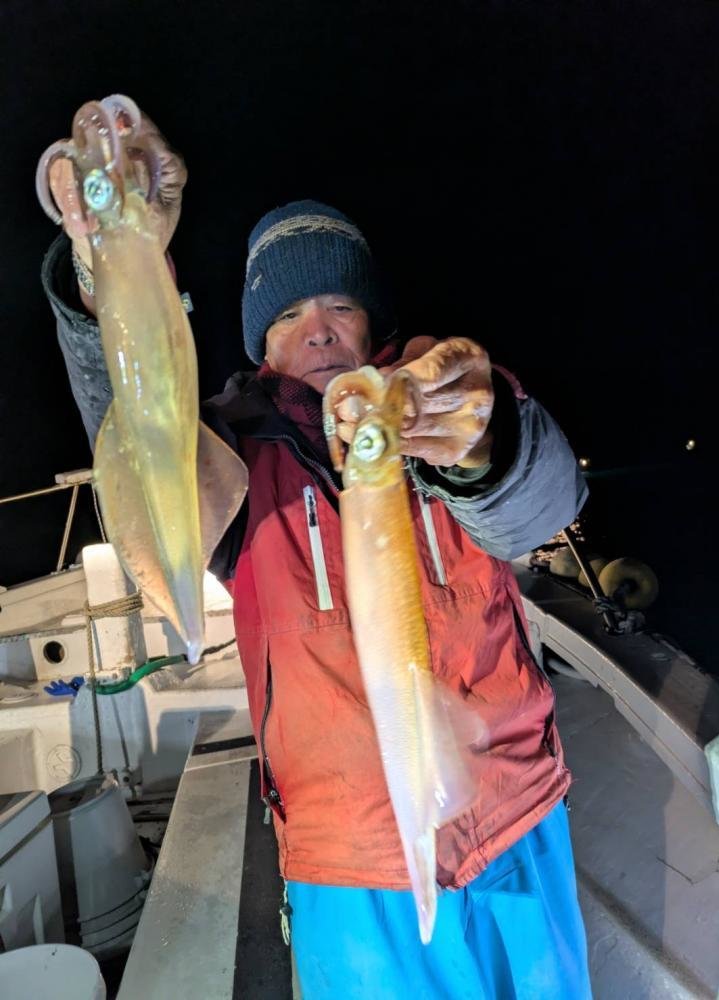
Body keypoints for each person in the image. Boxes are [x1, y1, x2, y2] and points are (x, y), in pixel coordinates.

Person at [42, 112, 592, 999]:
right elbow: (138, 440)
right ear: (260, 342)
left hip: (518, 822)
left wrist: (485, 441)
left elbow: (546, 506)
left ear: (372, 322)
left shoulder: (437, 410)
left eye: (340, 304)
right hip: (348, 870)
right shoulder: (229, 466)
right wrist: (109, 259)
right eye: (290, 312)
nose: (320, 328)